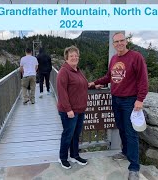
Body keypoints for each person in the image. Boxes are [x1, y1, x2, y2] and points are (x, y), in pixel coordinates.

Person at [88, 32, 149, 180]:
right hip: (116, 99)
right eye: (116, 42)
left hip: (130, 101)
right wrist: (95, 83)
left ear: (126, 41)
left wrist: (140, 100)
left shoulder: (136, 57)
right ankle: (125, 152)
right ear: (113, 44)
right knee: (121, 128)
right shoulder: (114, 58)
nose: (119, 43)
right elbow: (109, 77)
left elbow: (143, 80)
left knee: (131, 133)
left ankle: (134, 167)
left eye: (122, 40)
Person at [57, 45, 88, 169]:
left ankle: (75, 155)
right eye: (71, 56)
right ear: (66, 58)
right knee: (68, 135)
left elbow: (82, 84)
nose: (74, 57)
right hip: (69, 111)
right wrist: (69, 109)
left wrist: (92, 85)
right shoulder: (63, 72)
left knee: (76, 134)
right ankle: (62, 157)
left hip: (80, 109)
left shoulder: (77, 70)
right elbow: (62, 92)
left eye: (76, 55)